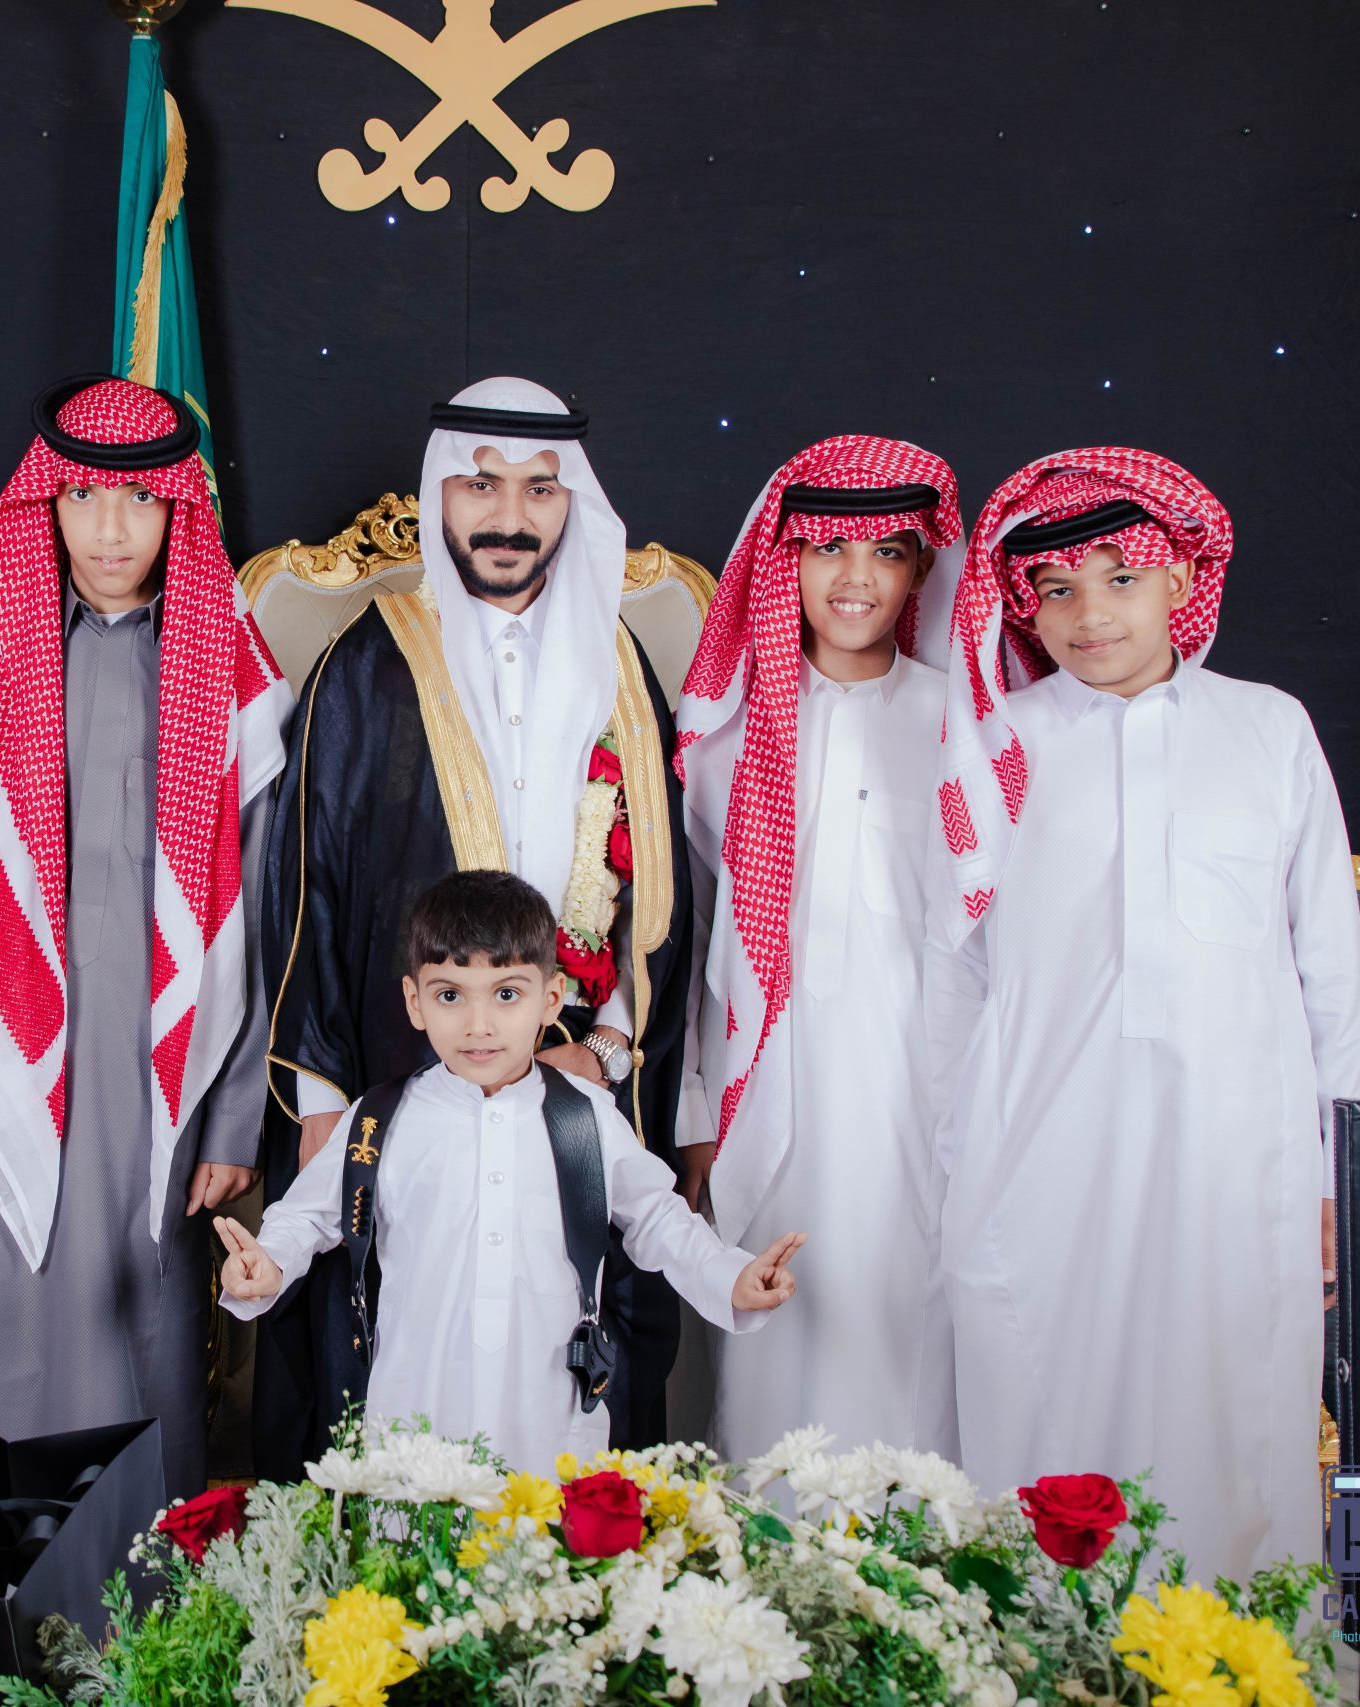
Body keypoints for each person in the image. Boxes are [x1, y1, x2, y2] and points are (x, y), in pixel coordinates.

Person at [928, 447, 1360, 1578]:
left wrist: (1344, 1174)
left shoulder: (1269, 728)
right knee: (1044, 1405)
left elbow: (1332, 968)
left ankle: (1232, 1651)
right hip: (1042, 1145)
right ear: (1025, 606)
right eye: (1057, 589)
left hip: (1239, 1148)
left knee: (1234, 1416)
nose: (1089, 615)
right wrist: (950, 1156)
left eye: (1119, 579)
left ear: (1179, 579)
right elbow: (954, 976)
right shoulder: (999, 741)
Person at [261, 377, 691, 1466]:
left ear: (571, 502)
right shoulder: (372, 657)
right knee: (399, 1354)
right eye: (481, 484)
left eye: (540, 488)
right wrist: (322, 1099)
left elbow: (662, 900)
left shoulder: (617, 667)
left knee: (570, 1359)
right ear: (440, 494)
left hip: (575, 1086)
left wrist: (604, 1051)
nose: (509, 515)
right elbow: (308, 885)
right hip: (398, 1070)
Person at [0, 375, 290, 1499]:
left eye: (140, 501)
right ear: (47, 505)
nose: (110, 530)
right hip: (4, 1055)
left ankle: (136, 1586)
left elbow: (262, 919)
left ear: (177, 511)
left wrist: (232, 1118)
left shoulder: (230, 668)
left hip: (161, 1071)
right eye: (82, 498)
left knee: (140, 1338)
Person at [219, 871, 801, 1474]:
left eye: (506, 994)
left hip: (550, 1427)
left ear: (550, 999)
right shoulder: (379, 1119)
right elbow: (308, 1216)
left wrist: (729, 1278)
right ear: (415, 1002)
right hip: (413, 1424)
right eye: (450, 996)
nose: (479, 1025)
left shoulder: (585, 1116)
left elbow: (659, 1219)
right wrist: (268, 1263)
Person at [671, 436, 965, 1461]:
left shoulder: (962, 728)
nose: (855, 577)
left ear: (920, 570)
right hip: (763, 1094)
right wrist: (696, 1114)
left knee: (907, 1326)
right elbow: (690, 942)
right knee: (769, 1340)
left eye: (886, 552)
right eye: (828, 547)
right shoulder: (724, 736)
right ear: (783, 562)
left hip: (917, 1093)